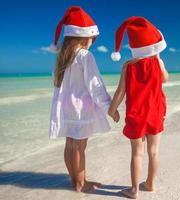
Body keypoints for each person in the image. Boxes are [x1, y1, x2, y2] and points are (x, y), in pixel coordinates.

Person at [49, 6, 118, 192]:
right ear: (84, 37)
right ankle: (81, 183)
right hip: (80, 108)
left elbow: (59, 86)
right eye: (92, 38)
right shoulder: (85, 56)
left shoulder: (63, 57)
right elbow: (95, 85)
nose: (93, 42)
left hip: (65, 107)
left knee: (70, 144)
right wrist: (109, 106)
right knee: (79, 145)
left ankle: (74, 179)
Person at [108, 16, 168, 199]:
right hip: (156, 112)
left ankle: (134, 190)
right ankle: (150, 184)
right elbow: (165, 78)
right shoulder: (158, 63)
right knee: (154, 151)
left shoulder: (128, 67)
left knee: (137, 153)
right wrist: (157, 57)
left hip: (136, 115)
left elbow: (120, 92)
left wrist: (112, 110)